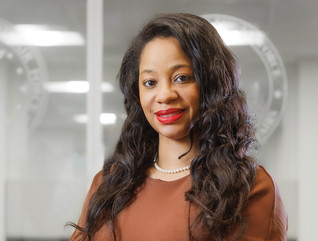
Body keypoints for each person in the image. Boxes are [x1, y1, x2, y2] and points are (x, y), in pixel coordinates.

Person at [69, 13, 287, 241]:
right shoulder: (110, 183)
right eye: (150, 83)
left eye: (181, 78)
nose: (164, 95)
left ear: (211, 85)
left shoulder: (248, 186)